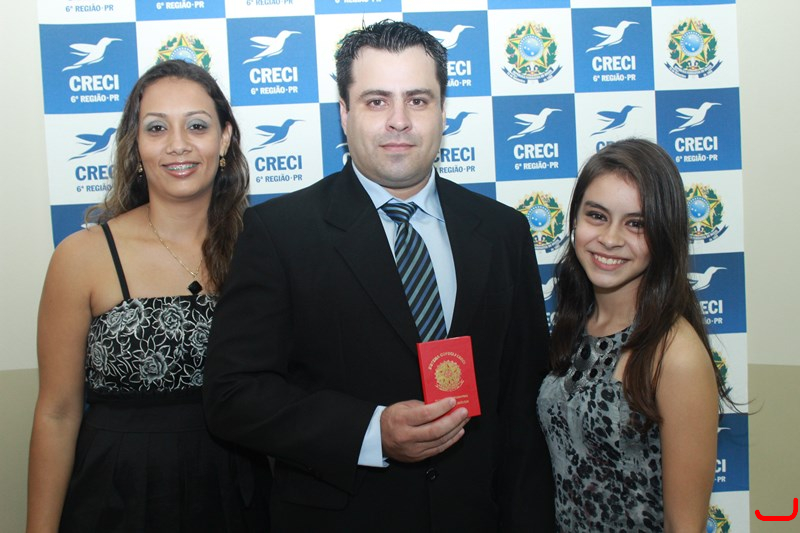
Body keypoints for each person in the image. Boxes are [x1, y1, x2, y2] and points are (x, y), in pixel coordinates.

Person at [203, 20, 555, 532]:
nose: (399, 121)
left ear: (443, 111)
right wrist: (371, 432)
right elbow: (233, 396)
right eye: (376, 101)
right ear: (344, 115)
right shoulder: (280, 233)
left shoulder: (503, 232)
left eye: (418, 100)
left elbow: (523, 409)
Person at [27, 60, 270, 532]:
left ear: (224, 139)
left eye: (196, 126)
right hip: (116, 499)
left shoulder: (264, 250)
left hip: (238, 495)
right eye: (157, 128)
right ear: (135, 146)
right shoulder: (83, 256)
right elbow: (56, 413)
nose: (178, 144)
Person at [537, 138, 729, 532]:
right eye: (597, 216)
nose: (610, 238)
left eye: (636, 224)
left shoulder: (675, 354)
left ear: (664, 233)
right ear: (574, 221)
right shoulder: (577, 326)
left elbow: (684, 526)